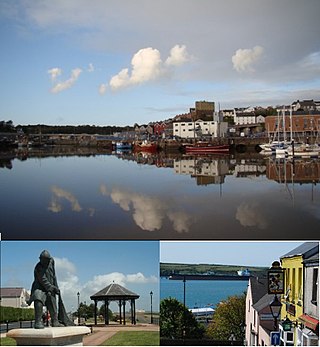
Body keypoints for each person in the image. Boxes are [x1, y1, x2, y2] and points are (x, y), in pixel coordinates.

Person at [28, 250, 64, 329]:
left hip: (50, 285)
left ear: (49, 259)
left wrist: (56, 287)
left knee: (52, 301)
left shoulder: (52, 261)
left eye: (46, 261)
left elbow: (53, 275)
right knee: (38, 298)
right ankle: (38, 321)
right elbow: (42, 280)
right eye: (42, 260)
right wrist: (51, 287)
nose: (43, 262)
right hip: (39, 287)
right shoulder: (38, 267)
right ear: (39, 259)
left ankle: (55, 321)